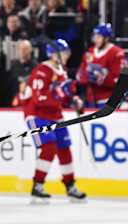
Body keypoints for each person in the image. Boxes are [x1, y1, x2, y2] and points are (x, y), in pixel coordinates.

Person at [23, 39, 86, 203]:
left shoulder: (61, 71)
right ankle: (37, 184)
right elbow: (39, 98)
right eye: (64, 53)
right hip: (37, 115)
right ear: (53, 54)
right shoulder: (42, 71)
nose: (67, 56)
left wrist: (75, 100)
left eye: (67, 53)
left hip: (55, 115)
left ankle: (70, 185)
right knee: (49, 148)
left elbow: (66, 95)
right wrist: (58, 95)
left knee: (64, 149)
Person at [76, 23, 126, 108]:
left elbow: (120, 81)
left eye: (98, 37)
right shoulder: (89, 53)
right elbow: (79, 75)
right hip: (90, 100)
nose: (95, 40)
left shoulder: (117, 53)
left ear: (106, 38)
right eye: (94, 37)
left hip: (108, 101)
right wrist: (85, 76)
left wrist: (101, 78)